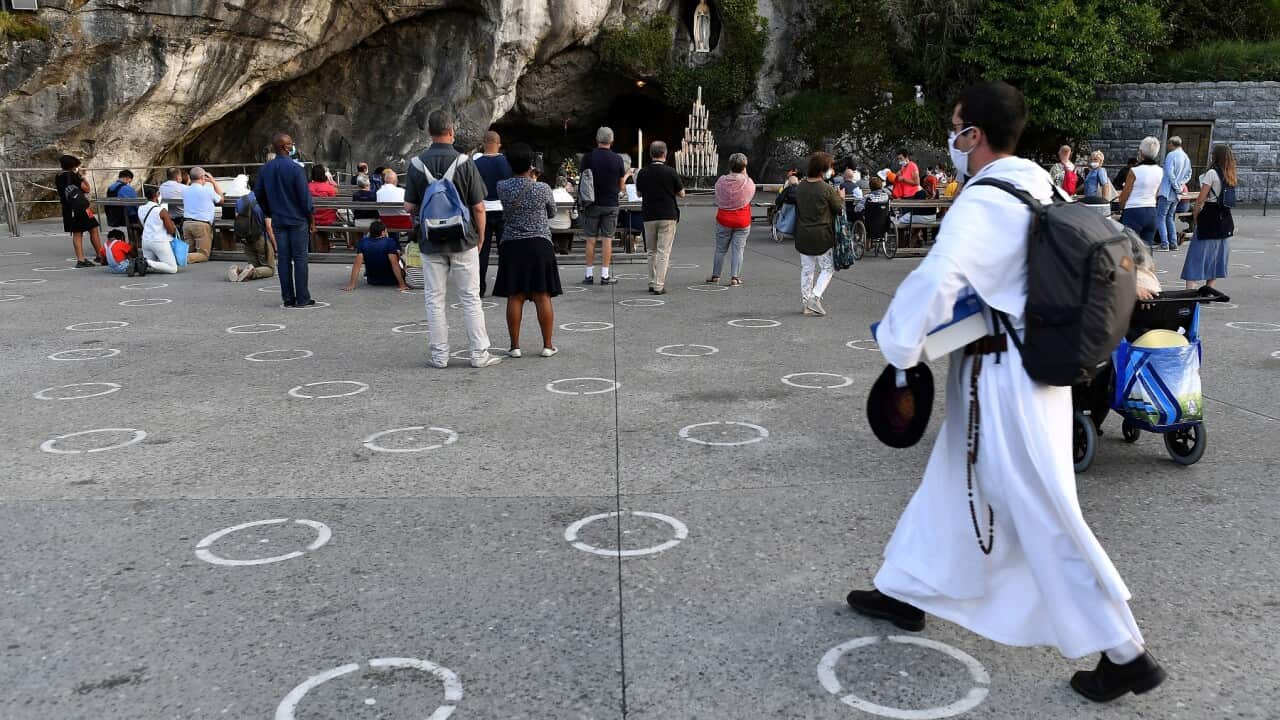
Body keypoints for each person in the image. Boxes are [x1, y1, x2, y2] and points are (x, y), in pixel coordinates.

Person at [846, 81, 1163, 703]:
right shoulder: (1039, 181)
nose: (953, 136)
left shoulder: (982, 200)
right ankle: (902, 590)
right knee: (949, 483)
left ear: (974, 135)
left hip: (1005, 380)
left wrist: (900, 352)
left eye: (957, 126)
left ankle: (1127, 653)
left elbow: (940, 278)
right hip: (1022, 367)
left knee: (1042, 510)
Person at [403, 109, 501, 369]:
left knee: (434, 299)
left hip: (430, 240)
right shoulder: (464, 163)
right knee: (470, 298)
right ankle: (479, 354)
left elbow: (408, 206)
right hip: (462, 239)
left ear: (428, 133)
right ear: (451, 131)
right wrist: (480, 236)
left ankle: (439, 356)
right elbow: (479, 206)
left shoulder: (416, 165)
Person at [493, 142, 562, 358]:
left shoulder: (501, 187)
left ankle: (515, 346)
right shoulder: (542, 188)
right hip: (539, 243)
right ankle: (547, 345)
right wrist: (535, 180)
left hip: (512, 244)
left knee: (515, 295)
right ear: (531, 163)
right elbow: (552, 212)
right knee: (542, 295)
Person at [255, 133, 316, 307]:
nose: (293, 146)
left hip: (278, 218)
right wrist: (311, 218)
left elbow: (258, 193)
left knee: (283, 258)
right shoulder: (296, 169)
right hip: (297, 219)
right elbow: (304, 198)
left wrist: (269, 211)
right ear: (285, 147)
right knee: (300, 258)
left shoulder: (266, 169)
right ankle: (302, 297)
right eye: (291, 144)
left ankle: (287, 297)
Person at [793, 152, 844, 316]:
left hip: (802, 232)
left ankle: (806, 301)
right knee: (828, 267)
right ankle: (815, 297)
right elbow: (838, 209)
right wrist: (840, 197)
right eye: (830, 168)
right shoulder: (827, 189)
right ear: (823, 170)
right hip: (822, 234)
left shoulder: (800, 186)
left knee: (807, 269)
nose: (832, 170)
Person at [1182, 144, 1237, 290]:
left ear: (1215, 156)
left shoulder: (1212, 173)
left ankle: (1191, 289)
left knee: (1196, 254)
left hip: (1209, 215)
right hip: (1225, 217)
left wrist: (1195, 214)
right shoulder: (1230, 173)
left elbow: (1201, 198)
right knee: (1217, 255)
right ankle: (1209, 288)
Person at [635, 140, 686, 295]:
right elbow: (681, 193)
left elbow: (638, 193)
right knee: (664, 251)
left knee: (651, 251)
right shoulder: (670, 172)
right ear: (665, 153)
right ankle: (659, 284)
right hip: (668, 214)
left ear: (650, 154)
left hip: (649, 214)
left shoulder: (643, 172)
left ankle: (651, 281)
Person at [580, 126, 627, 285]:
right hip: (610, 203)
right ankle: (605, 275)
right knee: (607, 239)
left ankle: (588, 275)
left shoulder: (588, 158)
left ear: (597, 140)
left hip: (592, 203)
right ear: (612, 141)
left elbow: (583, 180)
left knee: (590, 239)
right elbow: (621, 186)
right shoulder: (617, 159)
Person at [474, 130, 514, 297]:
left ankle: (480, 287)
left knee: (482, 251)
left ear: (484, 143)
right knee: (505, 250)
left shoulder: (475, 163)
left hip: (482, 210)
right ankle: (504, 287)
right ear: (499, 144)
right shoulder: (507, 162)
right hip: (503, 210)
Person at [710, 152, 753, 286]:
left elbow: (717, 196)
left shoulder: (721, 181)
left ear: (730, 165)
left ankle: (716, 275)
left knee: (720, 249)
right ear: (744, 166)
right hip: (742, 219)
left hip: (724, 218)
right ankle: (735, 277)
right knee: (738, 250)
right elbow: (749, 196)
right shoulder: (748, 182)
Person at [55, 155, 106, 267]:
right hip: (81, 207)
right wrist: (82, 177)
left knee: (77, 233)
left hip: (68, 208)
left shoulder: (58, 176)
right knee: (93, 228)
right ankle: (100, 255)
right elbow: (86, 189)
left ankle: (81, 259)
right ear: (73, 166)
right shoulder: (72, 176)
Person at [1117, 137, 1165, 250]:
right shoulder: (1160, 170)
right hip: (1151, 210)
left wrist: (1121, 206)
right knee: (1146, 250)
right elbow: (1156, 193)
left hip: (1134, 211)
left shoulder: (1134, 171)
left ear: (1141, 152)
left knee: (1129, 249)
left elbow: (1125, 195)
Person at [343, 220, 407, 291]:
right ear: (383, 232)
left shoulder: (363, 242)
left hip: (372, 280)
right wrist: (402, 284)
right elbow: (394, 263)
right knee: (402, 257)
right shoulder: (389, 241)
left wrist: (352, 284)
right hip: (391, 280)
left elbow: (357, 265)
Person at [228, 188, 275, 283]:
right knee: (270, 269)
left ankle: (237, 270)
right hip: (261, 238)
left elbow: (238, 219)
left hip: (246, 239)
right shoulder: (266, 202)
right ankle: (251, 273)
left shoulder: (241, 200)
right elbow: (268, 227)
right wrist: (275, 244)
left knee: (254, 265)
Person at [182, 166, 223, 263]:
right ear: (202, 177)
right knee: (203, 255)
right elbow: (221, 200)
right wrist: (213, 181)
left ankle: (181, 256)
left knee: (190, 251)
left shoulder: (185, 190)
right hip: (201, 225)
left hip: (187, 224)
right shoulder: (208, 190)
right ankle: (179, 258)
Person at [136, 184, 180, 274]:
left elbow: (141, 225)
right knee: (172, 268)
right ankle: (147, 262)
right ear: (157, 194)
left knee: (147, 268)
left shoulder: (140, 208)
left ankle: (141, 263)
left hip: (145, 241)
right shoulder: (161, 211)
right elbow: (171, 230)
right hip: (160, 241)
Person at [1158, 136, 1193, 251]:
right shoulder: (1186, 157)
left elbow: (1169, 173)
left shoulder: (1171, 155)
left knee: (1161, 217)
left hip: (1168, 191)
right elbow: (1189, 174)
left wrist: (1176, 186)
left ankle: (1164, 243)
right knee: (1170, 217)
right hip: (1178, 194)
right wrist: (1181, 184)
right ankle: (1173, 243)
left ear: (1171, 144)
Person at [308, 164, 339, 252]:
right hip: (328, 218)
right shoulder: (329, 188)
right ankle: (324, 249)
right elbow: (334, 203)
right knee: (324, 233)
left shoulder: (308, 186)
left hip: (312, 218)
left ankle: (318, 250)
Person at [105, 170, 141, 244]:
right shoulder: (127, 188)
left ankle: (134, 243)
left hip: (114, 216)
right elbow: (136, 204)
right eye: (130, 181)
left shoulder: (111, 188)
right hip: (127, 217)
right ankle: (138, 243)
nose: (129, 183)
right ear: (128, 178)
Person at [376, 169, 413, 235]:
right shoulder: (402, 191)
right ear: (395, 181)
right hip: (404, 224)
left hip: (385, 225)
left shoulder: (378, 193)